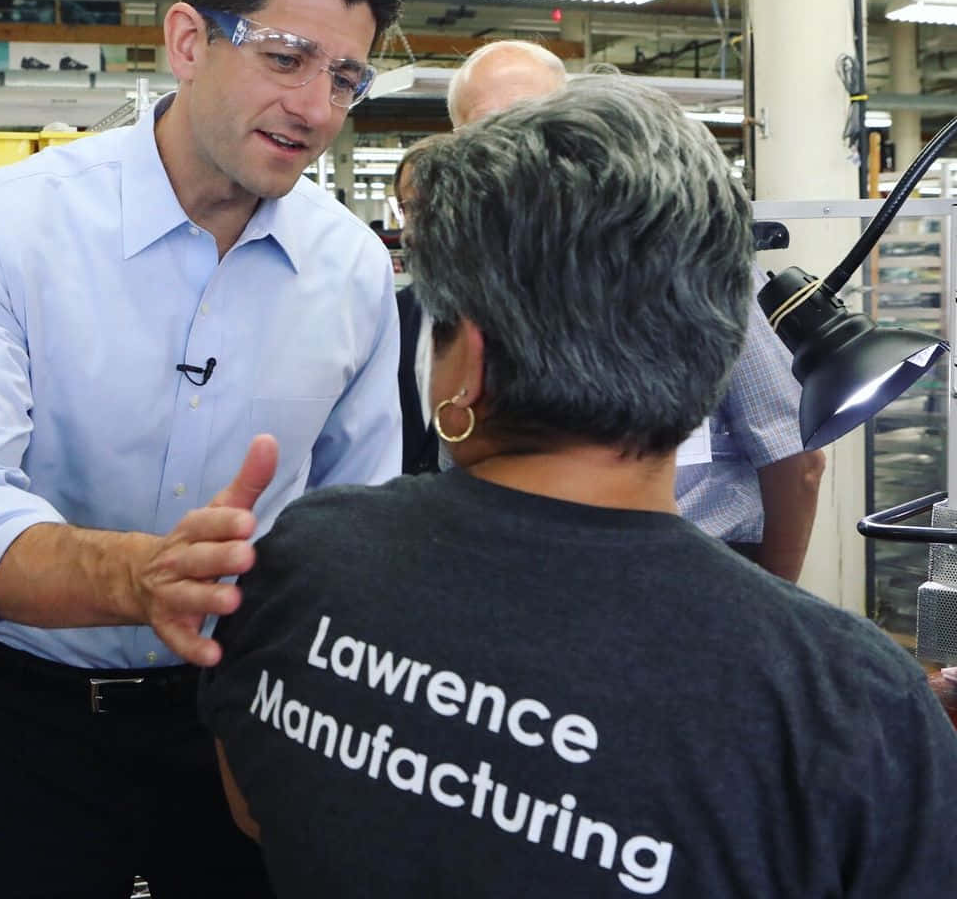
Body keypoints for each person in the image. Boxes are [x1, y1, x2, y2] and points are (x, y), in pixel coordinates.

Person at [200, 78, 957, 897]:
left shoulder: (302, 560)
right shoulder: (845, 702)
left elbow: (252, 810)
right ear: (709, 351)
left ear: (468, 360)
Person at [0, 0, 403, 898]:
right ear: (187, 41)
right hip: (25, 723)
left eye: (346, 78)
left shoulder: (348, 268)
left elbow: (362, 515)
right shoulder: (6, 227)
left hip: (239, 714)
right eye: (287, 57)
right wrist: (140, 578)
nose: (315, 108)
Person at [444, 39, 826, 582]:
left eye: (540, 121)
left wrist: (771, 603)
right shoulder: (470, 285)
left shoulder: (699, 264)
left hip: (699, 575)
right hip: (532, 583)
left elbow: (795, 460)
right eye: (491, 130)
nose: (519, 149)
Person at [392, 134, 454, 475]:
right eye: (407, 207)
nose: (415, 227)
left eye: (434, 204)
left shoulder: (517, 320)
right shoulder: (394, 312)